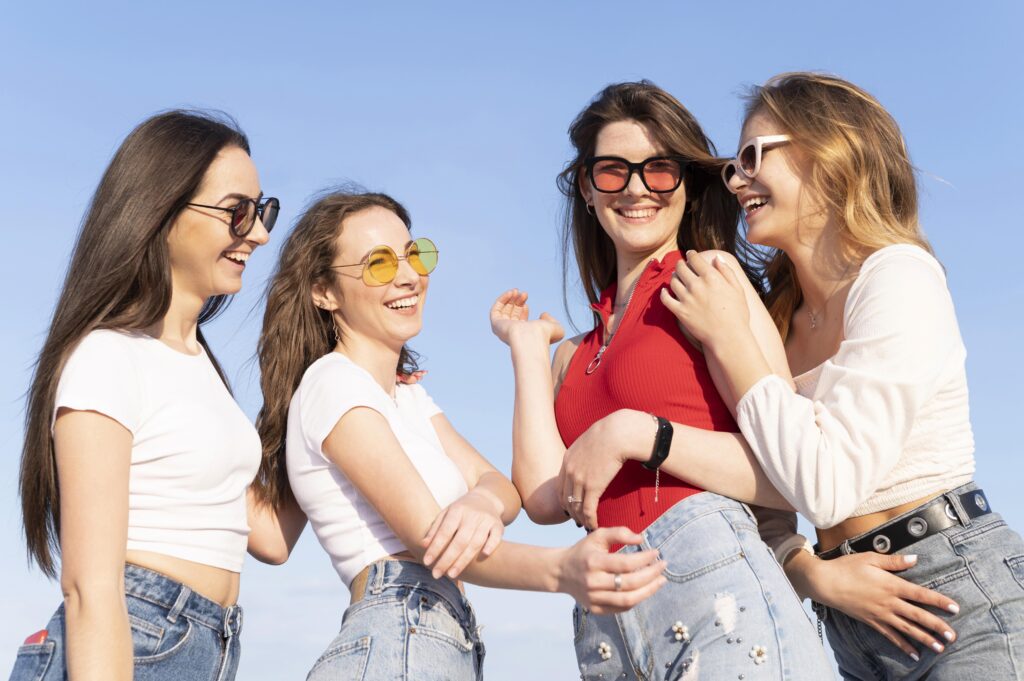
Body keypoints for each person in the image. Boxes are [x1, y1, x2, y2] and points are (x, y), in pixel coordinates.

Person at [659, 72, 1024, 679]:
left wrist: (726, 338)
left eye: (752, 156)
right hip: (850, 619)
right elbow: (766, 493)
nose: (736, 179)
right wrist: (811, 572)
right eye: (731, 167)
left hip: (957, 597)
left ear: (831, 153)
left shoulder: (899, 276)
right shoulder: (773, 322)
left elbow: (829, 484)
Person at [491, 81, 833, 680]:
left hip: (720, 599)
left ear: (686, 184)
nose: (636, 189)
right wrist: (525, 350)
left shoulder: (709, 279)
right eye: (612, 171)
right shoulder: (570, 354)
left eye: (659, 170)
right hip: (607, 629)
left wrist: (640, 433)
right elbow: (547, 498)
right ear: (586, 189)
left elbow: (791, 474)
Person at [255, 190, 667, 681]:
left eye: (414, 254)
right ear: (324, 291)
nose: (408, 275)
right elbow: (432, 539)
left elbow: (504, 489)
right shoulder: (332, 384)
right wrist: (563, 571)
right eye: (379, 264)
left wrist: (479, 504)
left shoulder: (407, 399)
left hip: (431, 636)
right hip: (398, 630)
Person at [9, 110, 305, 681]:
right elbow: (90, 588)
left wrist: (324, 386)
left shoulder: (199, 369)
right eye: (238, 211)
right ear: (160, 211)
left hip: (202, 643)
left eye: (263, 210)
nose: (261, 233)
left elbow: (269, 536)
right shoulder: (107, 355)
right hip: (133, 638)